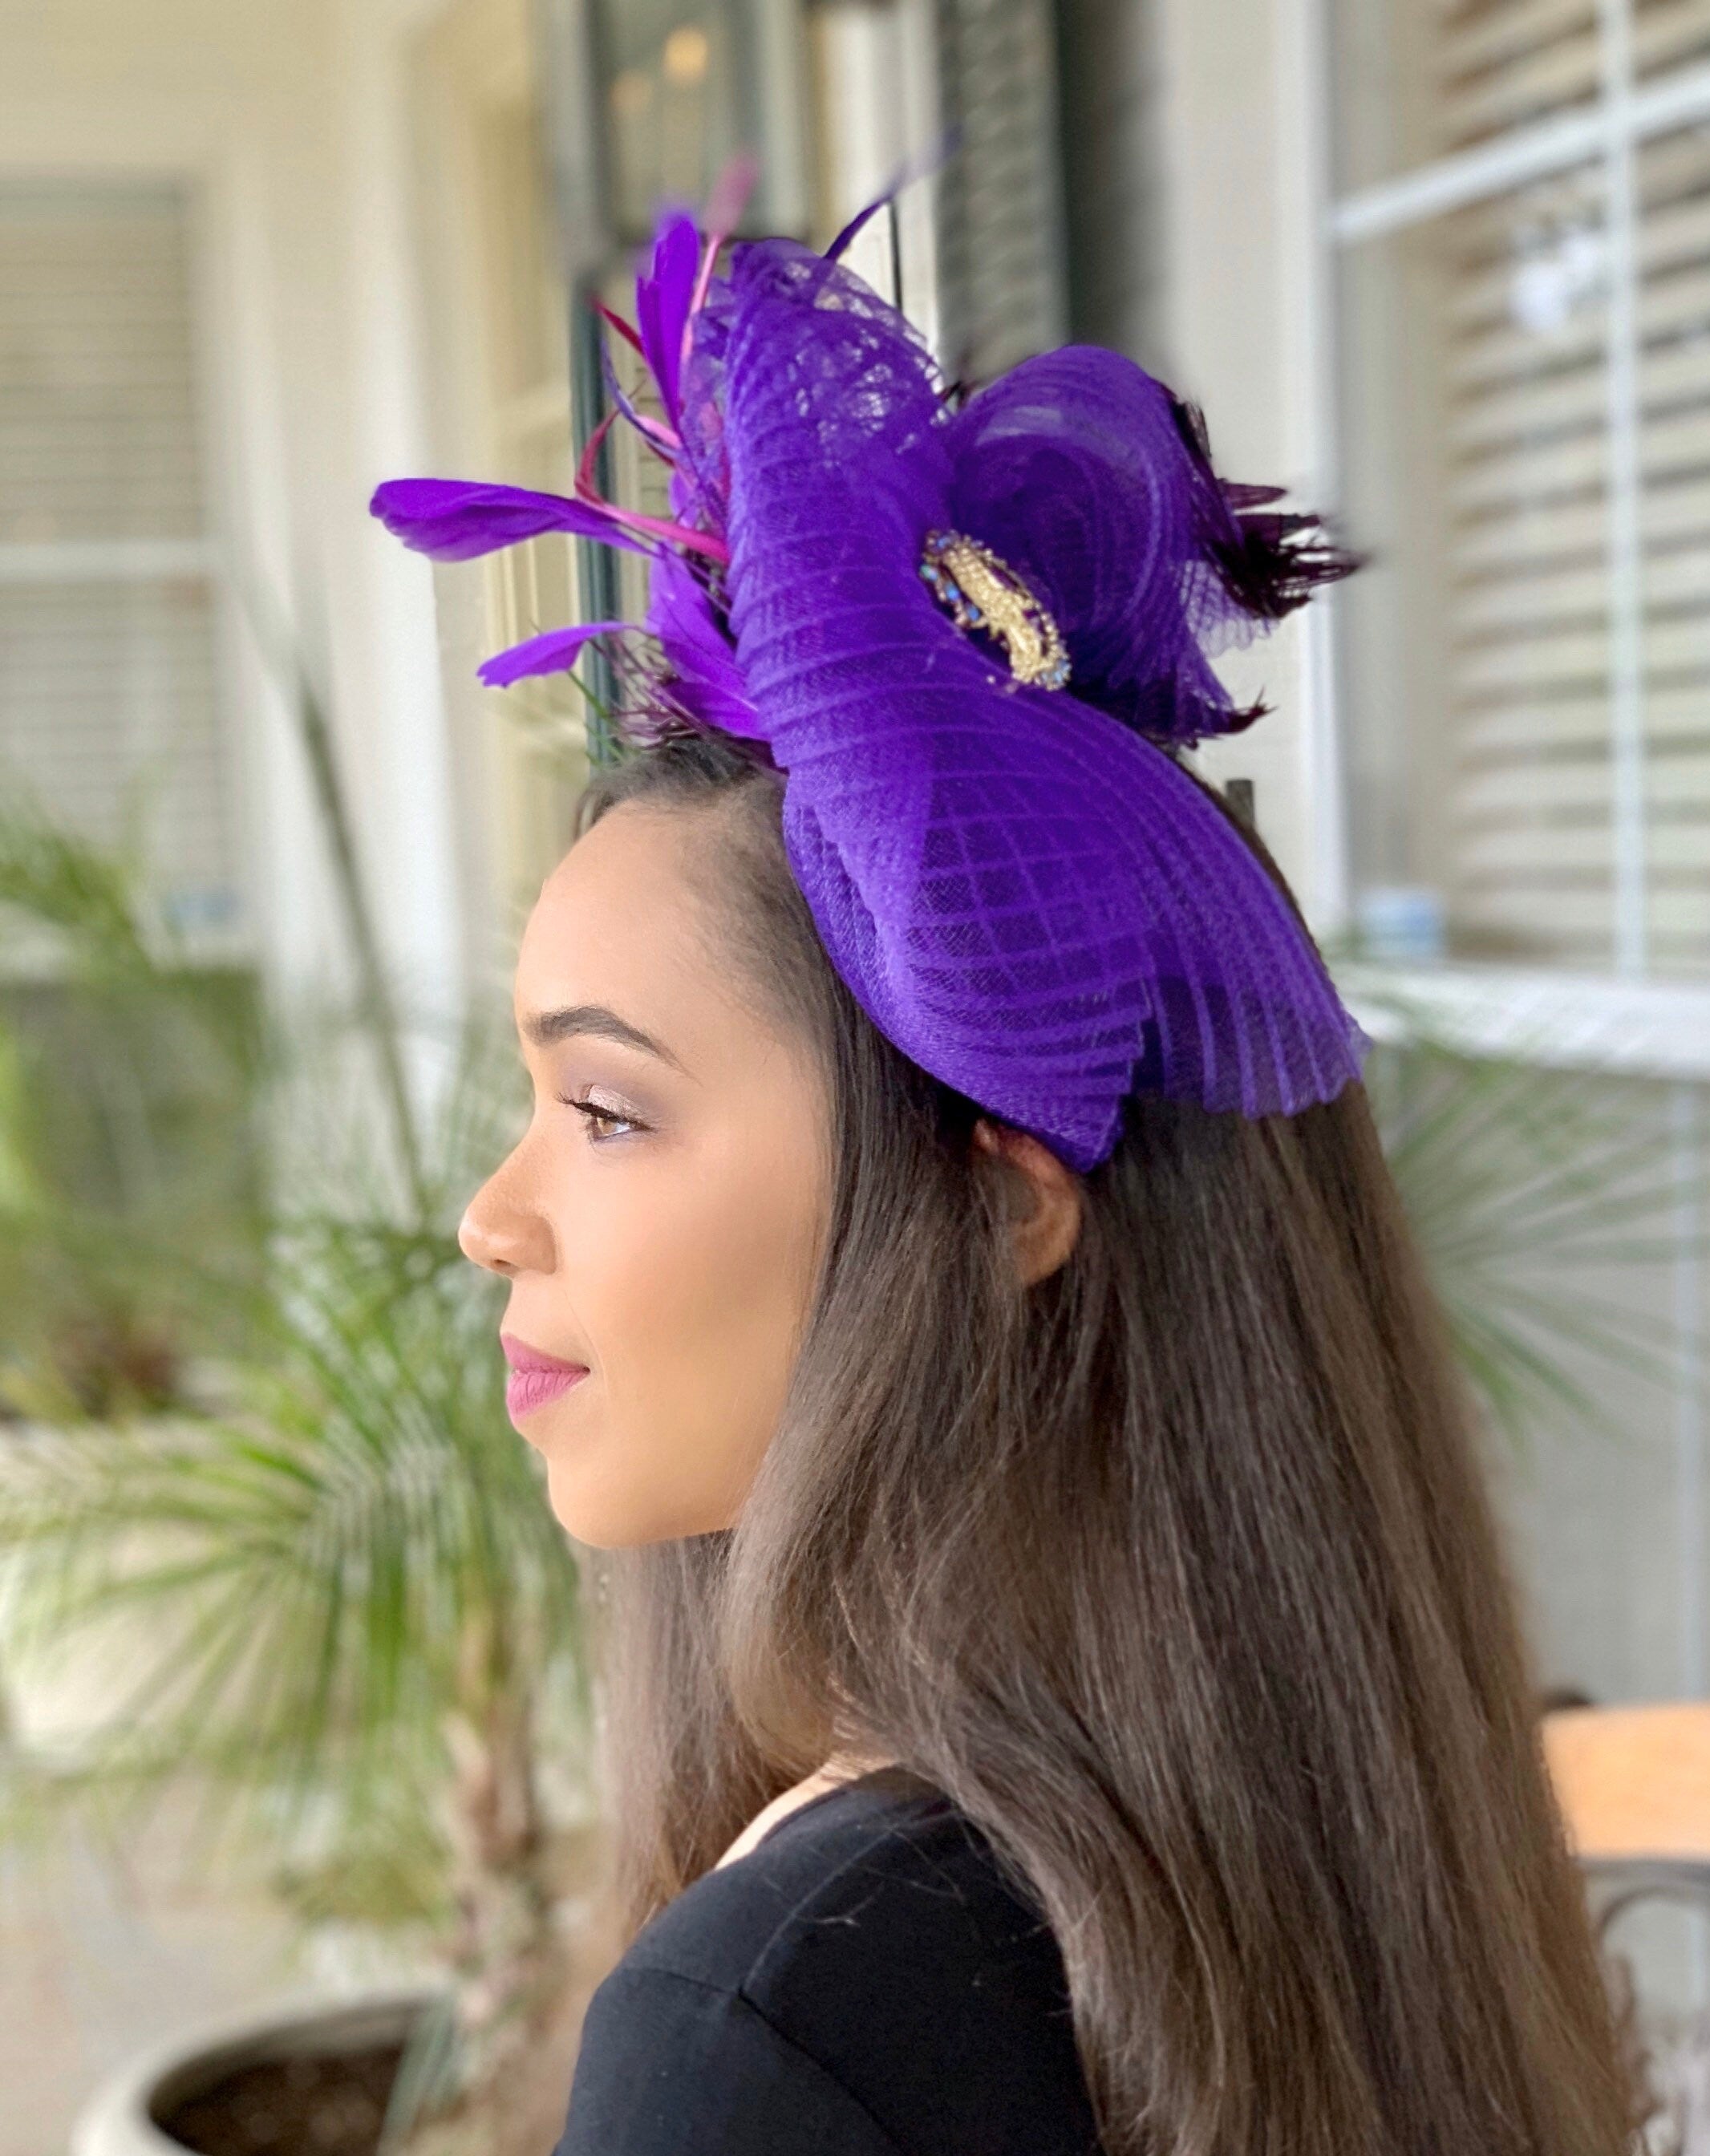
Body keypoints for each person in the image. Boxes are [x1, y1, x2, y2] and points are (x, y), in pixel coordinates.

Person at [373, 194, 1635, 2156]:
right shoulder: (1353, 1838)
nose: (491, 1214)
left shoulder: (783, 2021)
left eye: (605, 1111)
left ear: (998, 1197)